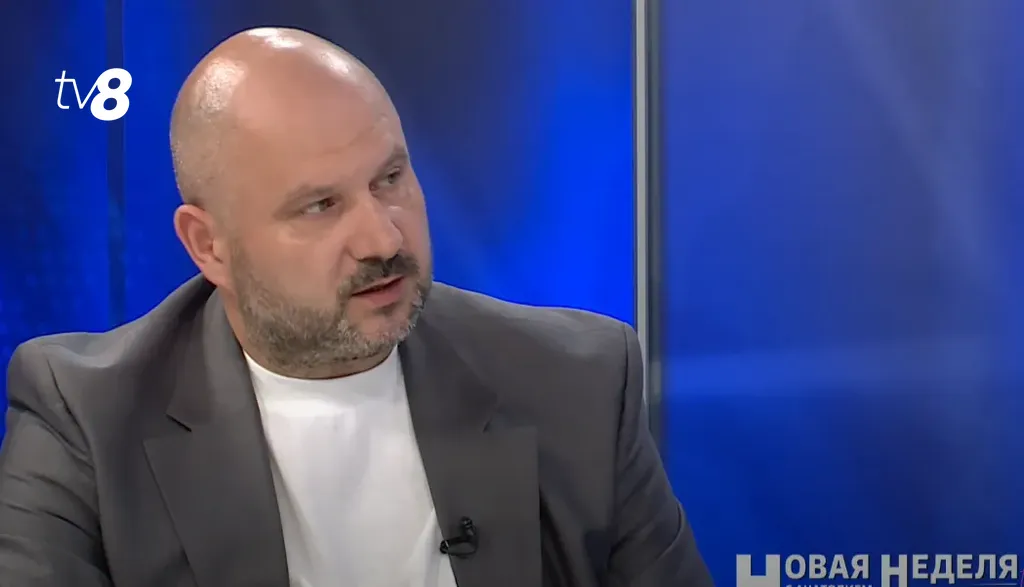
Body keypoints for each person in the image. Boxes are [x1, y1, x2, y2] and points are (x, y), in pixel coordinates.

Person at [0, 27, 712, 587]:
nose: (383, 238)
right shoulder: (87, 420)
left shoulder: (578, 381)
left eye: (390, 178)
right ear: (208, 245)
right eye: (320, 206)